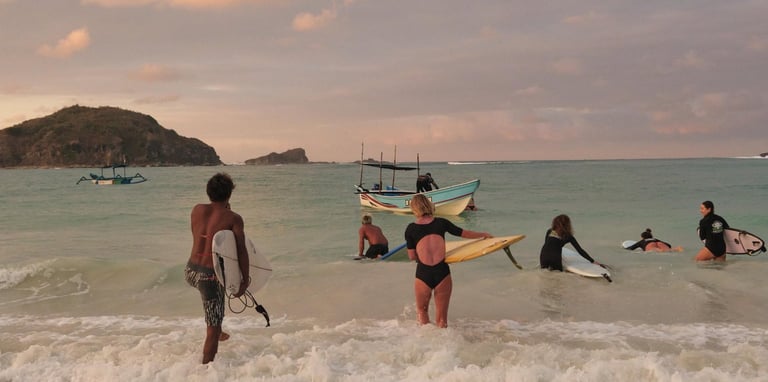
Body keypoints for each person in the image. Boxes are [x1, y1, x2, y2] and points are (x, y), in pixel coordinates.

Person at [184, 173, 250, 364]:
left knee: (215, 301)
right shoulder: (234, 218)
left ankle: (218, 328)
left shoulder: (196, 210)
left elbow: (203, 234)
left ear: (208, 192)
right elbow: (241, 251)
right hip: (209, 279)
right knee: (212, 327)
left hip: (190, 271)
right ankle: (206, 369)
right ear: (229, 194)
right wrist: (243, 281)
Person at [404, 194, 491, 328]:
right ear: (428, 205)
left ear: (414, 208)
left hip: (423, 273)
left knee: (422, 311)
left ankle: (425, 344)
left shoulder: (411, 228)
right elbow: (464, 233)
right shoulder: (441, 223)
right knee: (442, 320)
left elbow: (411, 256)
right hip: (442, 272)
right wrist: (483, 235)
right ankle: (445, 345)